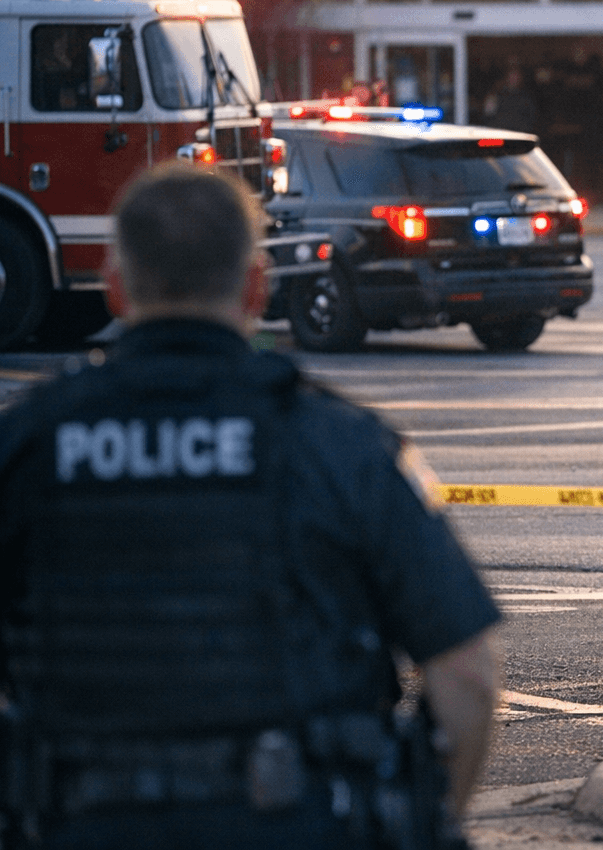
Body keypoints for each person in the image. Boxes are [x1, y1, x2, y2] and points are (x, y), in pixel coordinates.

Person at [0, 167, 501, 848]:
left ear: (115, 287)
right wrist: (427, 824)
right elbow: (466, 677)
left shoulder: (27, 444)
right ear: (257, 287)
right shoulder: (340, 445)